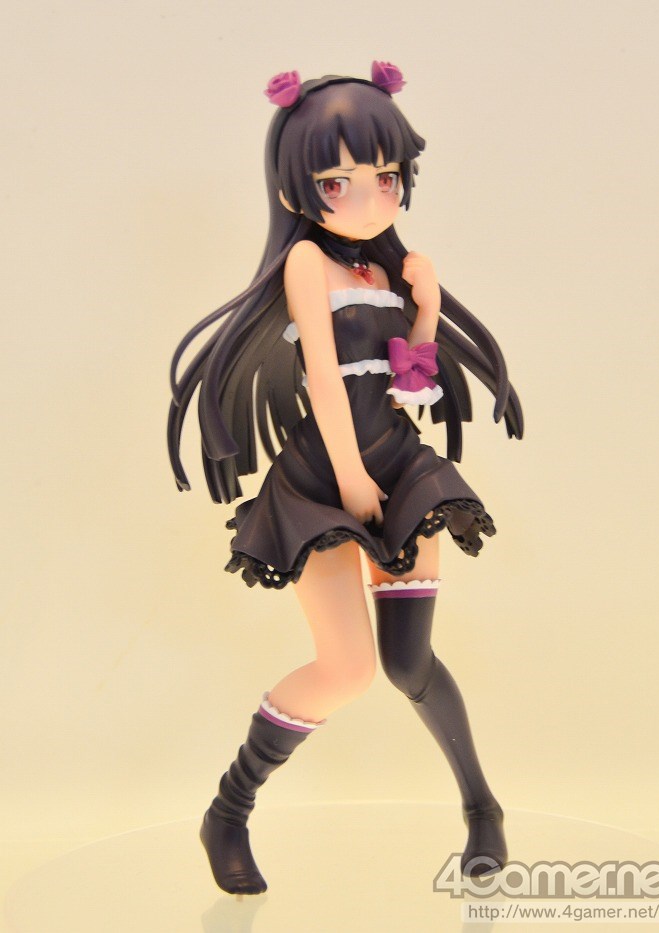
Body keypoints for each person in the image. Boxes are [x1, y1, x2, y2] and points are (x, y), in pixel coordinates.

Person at [167, 62, 524, 895]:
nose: (368, 199)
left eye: (385, 178)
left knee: (409, 662)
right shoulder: (305, 264)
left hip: (400, 464)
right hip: (323, 483)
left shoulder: (387, 273)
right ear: (296, 188)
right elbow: (324, 380)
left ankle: (483, 806)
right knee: (346, 668)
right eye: (337, 182)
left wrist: (425, 306)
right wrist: (353, 477)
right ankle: (228, 809)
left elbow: (410, 379)